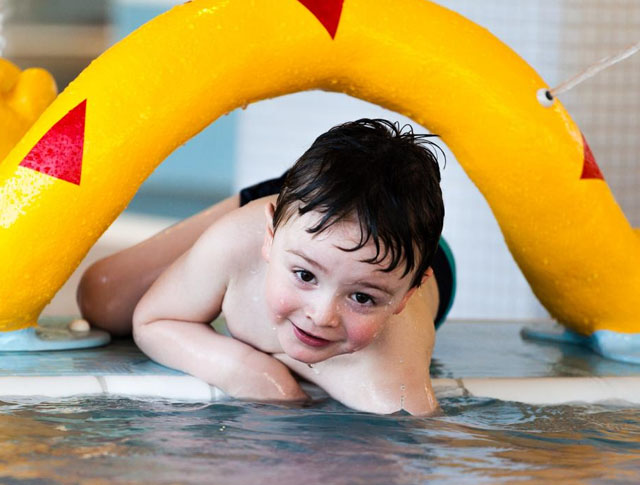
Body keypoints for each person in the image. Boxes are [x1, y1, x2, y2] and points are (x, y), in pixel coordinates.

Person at [77, 119, 453, 415]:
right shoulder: (239, 241)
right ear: (269, 238)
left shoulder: (390, 383)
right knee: (103, 295)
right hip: (306, 208)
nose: (322, 316)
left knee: (346, 261)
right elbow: (153, 320)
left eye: (361, 298)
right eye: (305, 276)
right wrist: (246, 370)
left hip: (403, 247)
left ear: (408, 295)